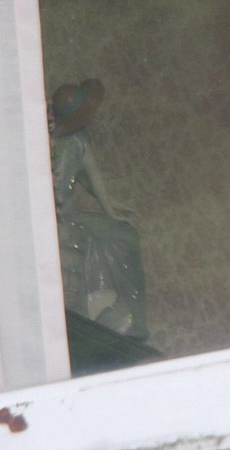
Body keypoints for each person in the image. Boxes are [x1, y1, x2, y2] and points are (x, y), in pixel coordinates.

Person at [49, 78, 149, 340]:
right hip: (54, 219)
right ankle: (98, 304)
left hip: (70, 214)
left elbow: (93, 179)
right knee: (94, 240)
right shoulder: (45, 142)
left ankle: (126, 314)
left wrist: (111, 209)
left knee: (123, 234)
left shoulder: (79, 139)